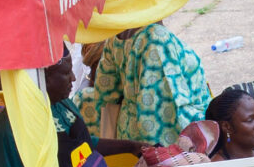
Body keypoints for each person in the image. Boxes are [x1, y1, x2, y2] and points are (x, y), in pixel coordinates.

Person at [78, 24, 208, 150]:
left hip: (130, 135)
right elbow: (158, 113)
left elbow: (105, 92)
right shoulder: (157, 38)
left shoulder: (116, 36)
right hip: (165, 145)